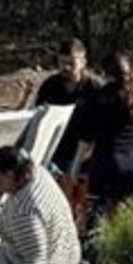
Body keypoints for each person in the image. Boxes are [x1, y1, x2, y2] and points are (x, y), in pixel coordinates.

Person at [71, 52, 133, 216]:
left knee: (100, 214)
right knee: (126, 213)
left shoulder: (99, 97)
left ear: (104, 73)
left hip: (106, 161)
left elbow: (86, 138)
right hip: (132, 161)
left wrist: (75, 166)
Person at [35, 38, 102, 174]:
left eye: (71, 63)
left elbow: (104, 125)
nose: (66, 67)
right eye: (62, 63)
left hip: (86, 156)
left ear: (83, 63)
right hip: (54, 153)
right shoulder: (49, 86)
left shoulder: (95, 88)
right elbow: (38, 115)